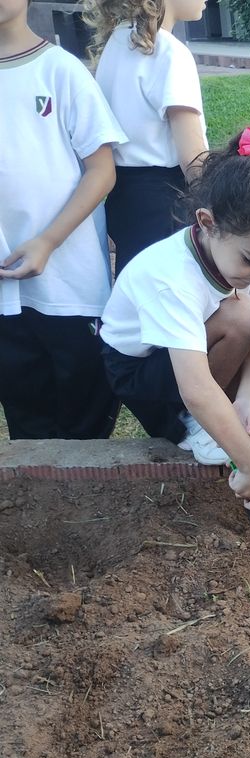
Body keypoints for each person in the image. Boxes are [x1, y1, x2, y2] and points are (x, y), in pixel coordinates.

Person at [99, 125, 250, 508]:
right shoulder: (171, 277)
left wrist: (247, 400)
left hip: (210, 353)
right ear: (207, 222)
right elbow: (197, 388)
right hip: (149, 375)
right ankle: (195, 424)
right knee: (242, 314)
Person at [0, 0, 126, 439]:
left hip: (71, 288)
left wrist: (48, 241)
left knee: (86, 421)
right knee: (27, 424)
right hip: (6, 297)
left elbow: (102, 170)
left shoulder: (61, 71)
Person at [85, 0, 208, 275]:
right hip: (167, 205)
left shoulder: (114, 45)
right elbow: (193, 160)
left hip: (124, 198)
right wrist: (226, 208)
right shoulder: (170, 52)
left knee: (136, 284)